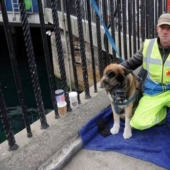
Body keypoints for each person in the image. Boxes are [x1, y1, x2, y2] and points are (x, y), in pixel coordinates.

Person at [119, 13, 170, 130]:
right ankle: (161, 115)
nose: (165, 32)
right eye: (163, 28)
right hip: (154, 92)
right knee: (138, 123)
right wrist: (115, 69)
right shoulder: (148, 45)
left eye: (169, 28)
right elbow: (132, 63)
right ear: (157, 29)